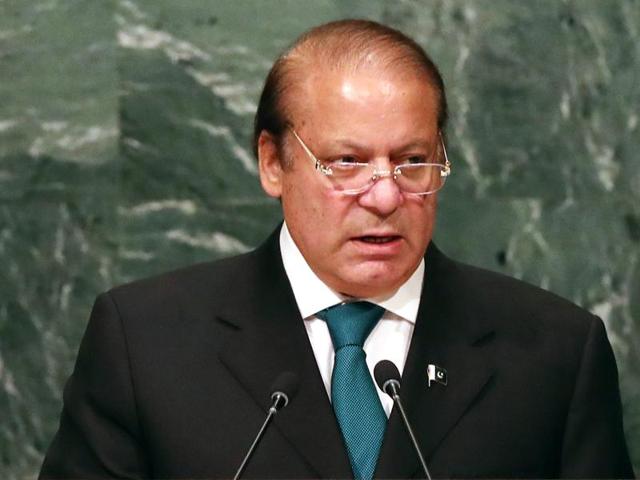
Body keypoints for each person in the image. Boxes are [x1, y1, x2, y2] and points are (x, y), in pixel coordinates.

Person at [40, 19, 634, 479]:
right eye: (347, 162)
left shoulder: (555, 353)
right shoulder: (145, 342)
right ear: (273, 162)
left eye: (411, 161)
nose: (384, 196)